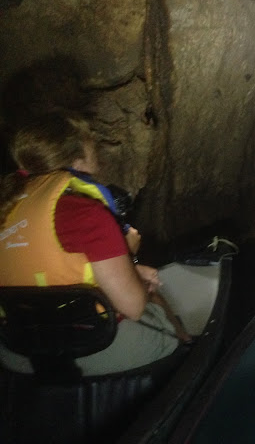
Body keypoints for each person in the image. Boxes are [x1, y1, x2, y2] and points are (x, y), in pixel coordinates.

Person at [0, 112, 190, 375]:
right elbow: (133, 307)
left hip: (17, 349)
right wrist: (128, 254)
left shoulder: (9, 206)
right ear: (78, 161)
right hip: (89, 346)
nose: (99, 161)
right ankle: (186, 353)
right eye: (94, 151)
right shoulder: (86, 213)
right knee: (152, 297)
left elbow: (49, 272)